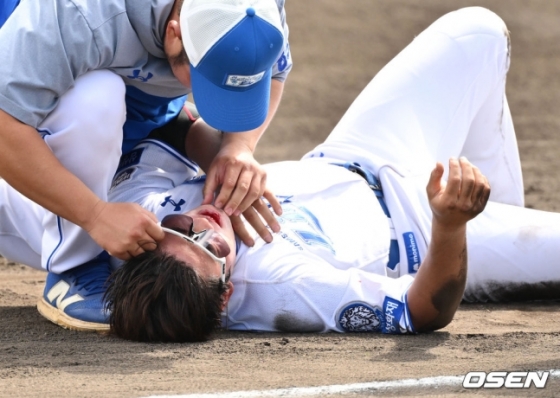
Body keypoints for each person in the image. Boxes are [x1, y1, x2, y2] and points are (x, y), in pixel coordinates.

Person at [99, 6, 560, 342]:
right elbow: (422, 311)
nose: (204, 224)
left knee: (478, 33)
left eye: (182, 230)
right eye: (212, 248)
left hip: (356, 151)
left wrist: (226, 151)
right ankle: (486, 225)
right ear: (226, 296)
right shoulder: (282, 289)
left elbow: (160, 126)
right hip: (424, 231)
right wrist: (451, 224)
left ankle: (498, 209)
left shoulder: (146, 214)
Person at [0, 0, 291, 329]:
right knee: (96, 97)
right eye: (204, 79)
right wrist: (93, 215)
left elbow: (275, 70)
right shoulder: (79, 12)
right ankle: (75, 264)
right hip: (22, 128)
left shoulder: (257, 8)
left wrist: (239, 146)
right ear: (174, 33)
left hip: (126, 135)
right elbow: (4, 126)